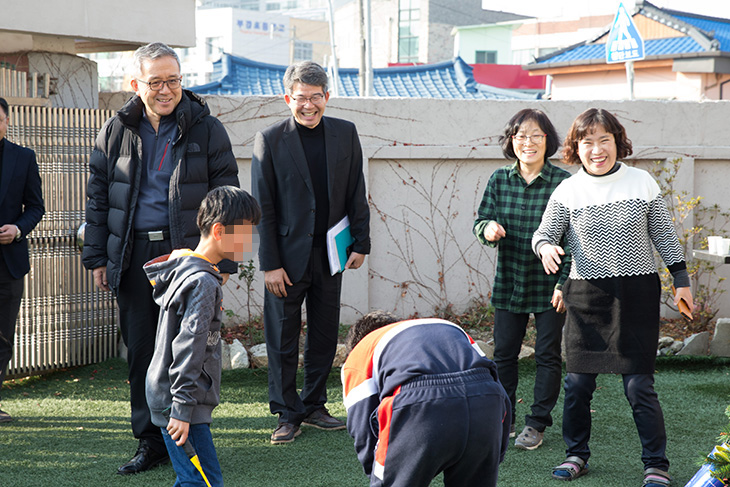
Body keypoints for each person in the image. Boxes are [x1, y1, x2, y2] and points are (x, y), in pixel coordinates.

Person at [82, 42, 239, 474]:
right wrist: (97, 257)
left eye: (173, 80)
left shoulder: (207, 129)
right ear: (136, 85)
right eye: (155, 82)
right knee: (140, 353)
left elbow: (229, 198)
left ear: (182, 80)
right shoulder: (115, 131)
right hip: (134, 255)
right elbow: (98, 199)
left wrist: (224, 261)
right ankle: (150, 442)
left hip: (187, 257)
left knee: (188, 350)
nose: (166, 90)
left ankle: (190, 435)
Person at [532, 108, 693, 487]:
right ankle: (576, 455)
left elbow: (665, 237)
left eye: (604, 140)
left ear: (617, 142)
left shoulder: (642, 182)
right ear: (576, 147)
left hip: (636, 295)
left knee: (638, 385)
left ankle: (656, 464)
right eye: (587, 142)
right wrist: (545, 250)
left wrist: (681, 280)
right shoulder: (568, 190)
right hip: (585, 297)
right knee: (577, 385)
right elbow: (543, 234)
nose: (597, 149)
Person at [251, 60, 370, 444]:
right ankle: (287, 413)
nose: (308, 106)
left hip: (331, 255)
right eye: (301, 98)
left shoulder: (345, 134)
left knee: (322, 334)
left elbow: (356, 192)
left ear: (326, 97)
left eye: (316, 98)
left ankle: (315, 404)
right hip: (286, 259)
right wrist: (269, 265)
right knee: (282, 337)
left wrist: (361, 244)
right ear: (288, 98)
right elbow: (262, 208)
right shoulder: (269, 139)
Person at [144, 186, 260, 487]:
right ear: (219, 230)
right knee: (202, 482)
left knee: (194, 480)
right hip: (181, 401)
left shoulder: (189, 270)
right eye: (246, 233)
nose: (250, 242)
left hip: (175, 397)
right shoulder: (203, 282)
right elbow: (189, 345)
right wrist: (182, 408)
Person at [473, 108, 571, 450]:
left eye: (536, 136)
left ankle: (536, 423)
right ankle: (504, 418)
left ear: (548, 141)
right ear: (511, 141)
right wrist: (488, 228)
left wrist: (564, 283)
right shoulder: (500, 179)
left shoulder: (564, 183)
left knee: (547, 355)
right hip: (510, 280)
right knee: (503, 355)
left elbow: (576, 239)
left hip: (549, 283)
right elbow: (480, 221)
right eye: (520, 136)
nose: (527, 143)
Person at [342, 310, 511, 487]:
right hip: (486, 400)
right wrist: (493, 453)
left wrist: (379, 472)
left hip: (419, 405)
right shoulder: (450, 328)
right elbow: (497, 387)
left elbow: (362, 426)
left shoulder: (361, 350)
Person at [0, 97, 45, 423]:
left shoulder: (23, 157)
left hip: (8, 263)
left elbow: (36, 207)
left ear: (6, 121)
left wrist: (18, 228)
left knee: (2, 336)